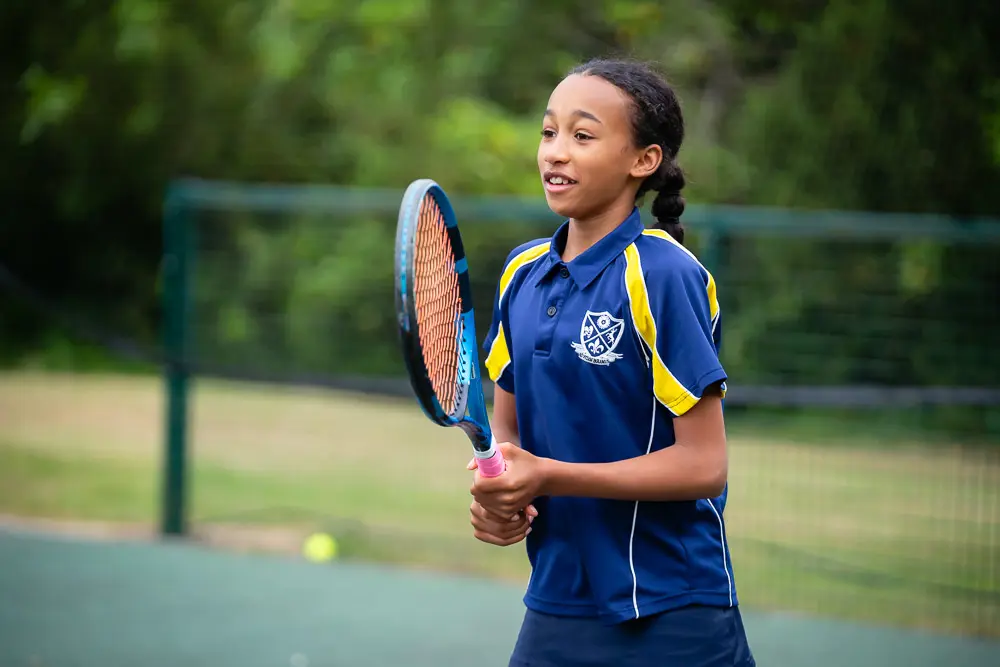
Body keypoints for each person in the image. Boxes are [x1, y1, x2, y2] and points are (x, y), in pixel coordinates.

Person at [467, 58, 756, 667]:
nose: (556, 152)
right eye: (549, 132)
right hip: (556, 599)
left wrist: (549, 475)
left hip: (672, 608)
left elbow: (704, 465)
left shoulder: (664, 275)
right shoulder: (521, 274)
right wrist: (499, 498)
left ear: (643, 160)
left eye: (583, 135)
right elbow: (509, 435)